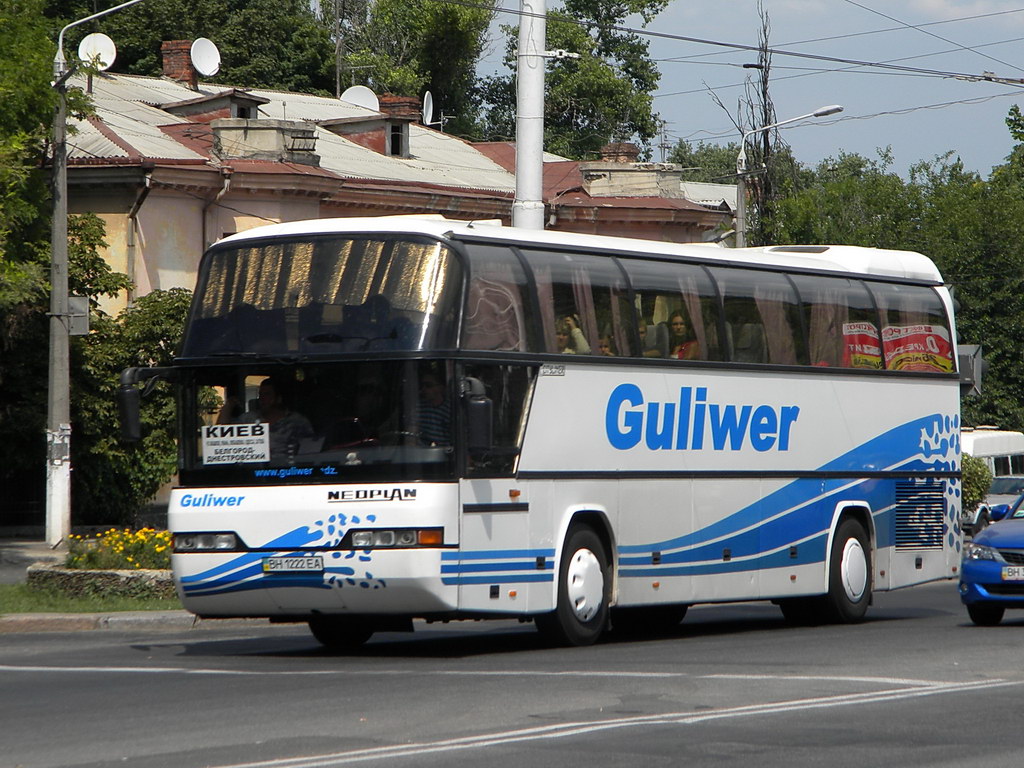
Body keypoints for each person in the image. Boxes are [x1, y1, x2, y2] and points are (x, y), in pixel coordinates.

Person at [218, 377, 314, 459]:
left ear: (278, 399)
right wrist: (228, 406)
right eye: (260, 394)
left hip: (288, 472)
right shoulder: (248, 419)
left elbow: (310, 451)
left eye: (267, 394)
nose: (262, 398)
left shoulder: (297, 422)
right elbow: (220, 436)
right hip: (253, 472)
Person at [414, 368, 452, 446]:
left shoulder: (450, 409)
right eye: (422, 386)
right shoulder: (418, 407)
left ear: (441, 387)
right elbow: (411, 431)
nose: (424, 389)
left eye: (428, 385)